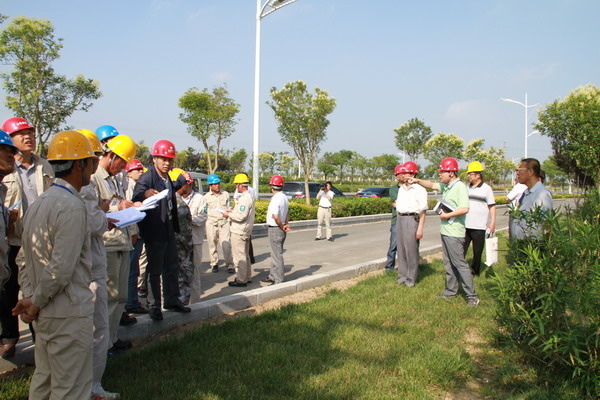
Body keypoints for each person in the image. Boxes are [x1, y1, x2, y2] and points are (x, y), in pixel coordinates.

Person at [13, 130, 96, 399]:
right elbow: (60, 269)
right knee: (70, 388)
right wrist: (35, 301)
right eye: (91, 162)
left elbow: (24, 257)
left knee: (45, 381)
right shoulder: (71, 206)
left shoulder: (40, 202)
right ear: (80, 164)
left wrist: (30, 297)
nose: (92, 169)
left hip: (45, 313)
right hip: (67, 312)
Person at [1, 117, 54, 359]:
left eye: (30, 132)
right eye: (21, 134)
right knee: (8, 290)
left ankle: (39, 339)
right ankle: (9, 336)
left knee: (36, 291)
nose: (28, 137)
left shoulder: (44, 166)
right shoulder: (7, 167)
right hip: (12, 238)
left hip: (39, 239)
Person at [77, 129, 120, 399]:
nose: (97, 162)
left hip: (91, 267)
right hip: (89, 271)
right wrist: (103, 212)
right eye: (94, 157)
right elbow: (92, 223)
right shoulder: (83, 188)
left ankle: (88, 386)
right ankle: (92, 388)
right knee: (95, 330)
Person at [408, 157, 480, 306]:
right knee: (448, 264)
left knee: (459, 264)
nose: (440, 175)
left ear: (451, 173)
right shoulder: (447, 186)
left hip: (455, 233)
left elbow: (464, 208)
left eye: (442, 172)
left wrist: (447, 215)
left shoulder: (459, 187)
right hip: (446, 231)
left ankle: (472, 295)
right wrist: (417, 181)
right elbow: (432, 185)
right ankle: (450, 291)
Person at [132, 140, 191, 321]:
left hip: (168, 228)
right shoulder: (147, 178)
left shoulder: (167, 178)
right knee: (155, 270)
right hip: (154, 230)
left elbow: (170, 193)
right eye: (163, 159)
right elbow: (137, 196)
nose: (167, 163)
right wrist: (145, 194)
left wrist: (182, 180)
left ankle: (172, 300)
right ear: (154, 158)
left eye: (170, 160)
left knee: (171, 266)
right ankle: (154, 305)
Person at [90, 134, 138, 356]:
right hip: (107, 244)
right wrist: (118, 208)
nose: (124, 167)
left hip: (122, 241)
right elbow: (93, 211)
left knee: (120, 296)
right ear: (111, 156)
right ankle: (103, 345)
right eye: (122, 162)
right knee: (107, 298)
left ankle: (113, 337)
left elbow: (118, 203)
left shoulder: (115, 179)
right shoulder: (94, 178)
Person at [396, 161, 428, 287]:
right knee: (401, 249)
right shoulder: (402, 189)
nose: (403, 175)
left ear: (413, 174)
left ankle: (411, 279)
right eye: (402, 173)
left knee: (411, 250)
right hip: (401, 218)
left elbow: (423, 210)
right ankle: (402, 276)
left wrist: (420, 228)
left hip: (412, 219)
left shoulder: (420, 190)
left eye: (406, 173)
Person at [124, 159, 148, 315]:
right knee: (131, 270)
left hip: (137, 233)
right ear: (129, 172)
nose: (140, 172)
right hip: (133, 234)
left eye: (141, 169)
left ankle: (131, 300)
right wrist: (133, 232)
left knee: (134, 269)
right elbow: (129, 211)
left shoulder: (136, 186)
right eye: (137, 169)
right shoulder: (129, 187)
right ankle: (131, 302)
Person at [179, 171, 207, 304]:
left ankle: (194, 303)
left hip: (195, 240)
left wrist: (187, 219)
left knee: (194, 272)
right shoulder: (175, 197)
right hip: (180, 242)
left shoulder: (200, 199)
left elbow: (203, 217)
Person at [464, 161, 496, 276]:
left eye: (470, 174)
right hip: (465, 225)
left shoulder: (487, 189)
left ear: (478, 175)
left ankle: (475, 272)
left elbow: (492, 206)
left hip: (479, 227)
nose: (468, 176)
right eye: (468, 174)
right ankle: (460, 271)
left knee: (477, 252)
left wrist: (492, 223)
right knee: (461, 251)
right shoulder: (467, 188)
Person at [223, 173, 255, 287]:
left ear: (240, 185)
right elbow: (242, 213)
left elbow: (241, 216)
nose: (236, 187)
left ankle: (241, 279)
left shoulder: (245, 199)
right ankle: (247, 276)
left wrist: (228, 215)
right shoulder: (247, 197)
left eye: (236, 184)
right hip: (244, 230)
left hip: (239, 231)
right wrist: (232, 212)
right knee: (245, 255)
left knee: (239, 257)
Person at [509, 158, 553, 241]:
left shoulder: (542, 194)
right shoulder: (526, 193)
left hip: (534, 245)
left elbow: (547, 224)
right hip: (521, 245)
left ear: (530, 172)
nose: (517, 173)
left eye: (520, 170)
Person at [168, 168, 194, 305]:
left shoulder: (168, 200)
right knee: (183, 279)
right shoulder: (180, 205)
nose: (189, 187)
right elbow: (184, 233)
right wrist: (189, 247)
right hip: (181, 251)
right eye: (188, 184)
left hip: (169, 248)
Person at [263, 175, 290, 285]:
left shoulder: (275, 198)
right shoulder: (284, 197)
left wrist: (281, 226)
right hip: (281, 227)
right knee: (275, 253)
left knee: (277, 255)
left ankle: (278, 279)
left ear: (272, 186)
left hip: (275, 228)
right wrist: (286, 224)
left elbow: (275, 216)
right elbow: (287, 213)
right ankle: (272, 275)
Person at [204, 174, 234, 273]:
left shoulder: (225, 194)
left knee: (226, 245)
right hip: (211, 223)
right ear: (210, 185)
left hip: (223, 223)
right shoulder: (206, 197)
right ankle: (214, 263)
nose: (217, 185)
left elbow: (229, 206)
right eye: (215, 184)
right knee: (212, 244)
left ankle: (229, 264)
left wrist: (229, 212)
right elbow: (204, 211)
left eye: (218, 183)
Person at [0, 131, 17, 290]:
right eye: (3, 149)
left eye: (12, 151)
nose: (11, 155)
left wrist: (10, 221)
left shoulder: (2, 192)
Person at [385, 164, 406, 271]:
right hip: (396, 220)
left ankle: (406, 267)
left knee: (407, 245)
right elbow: (396, 204)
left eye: (404, 173)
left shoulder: (411, 187)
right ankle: (389, 267)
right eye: (400, 174)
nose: (402, 176)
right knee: (393, 244)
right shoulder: (393, 189)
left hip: (408, 220)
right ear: (396, 176)